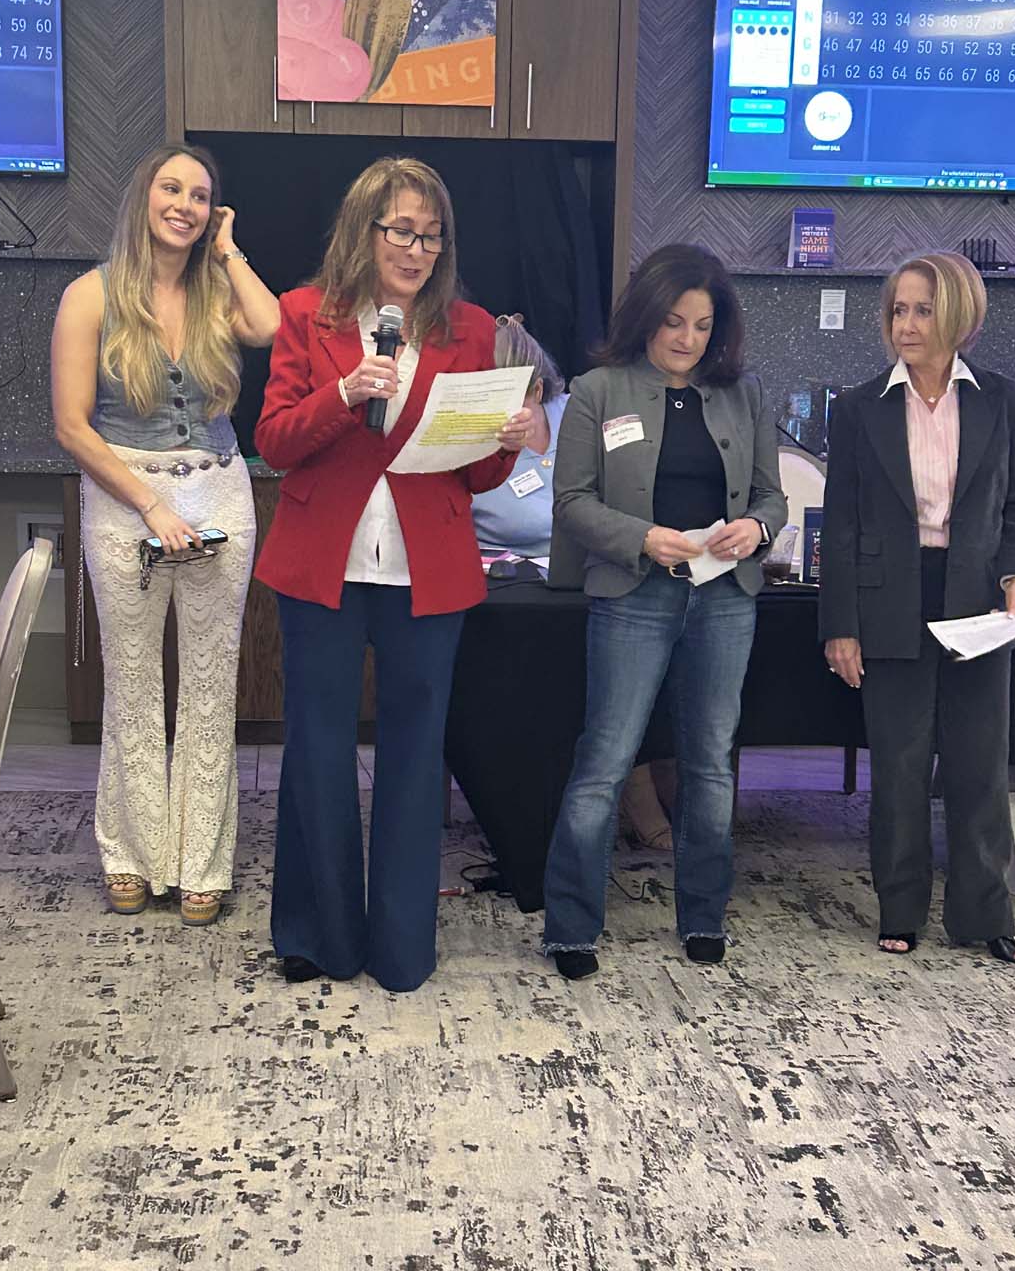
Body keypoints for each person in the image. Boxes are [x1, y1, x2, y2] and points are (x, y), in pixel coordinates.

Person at [254, 157, 534, 994]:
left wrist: (507, 440)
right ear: (364, 230)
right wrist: (343, 393)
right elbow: (274, 441)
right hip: (323, 565)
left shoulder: (471, 329)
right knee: (318, 751)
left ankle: (404, 946)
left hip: (428, 570)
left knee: (415, 759)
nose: (417, 251)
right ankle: (318, 937)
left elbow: (477, 477)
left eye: (431, 236)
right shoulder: (305, 314)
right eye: (402, 232)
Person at [541, 243, 787, 979]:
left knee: (710, 763)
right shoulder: (597, 390)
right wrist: (643, 538)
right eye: (675, 322)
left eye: (704, 326)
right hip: (634, 594)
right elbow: (572, 502)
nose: (688, 339)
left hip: (725, 597)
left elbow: (771, 496)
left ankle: (704, 915)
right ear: (647, 316)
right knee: (605, 762)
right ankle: (571, 926)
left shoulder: (745, 395)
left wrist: (758, 528)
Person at [52, 143, 280, 924]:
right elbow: (72, 427)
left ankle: (200, 863)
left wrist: (229, 248)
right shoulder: (89, 296)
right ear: (143, 198)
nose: (184, 204)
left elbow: (269, 324)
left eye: (200, 195)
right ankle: (131, 854)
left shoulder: (216, 292)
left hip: (219, 488)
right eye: (171, 188)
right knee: (134, 681)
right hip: (126, 495)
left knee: (212, 686)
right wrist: (150, 505)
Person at [820, 251, 1015, 965]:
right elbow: (841, 521)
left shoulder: (1002, 399)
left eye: (922, 310)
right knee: (901, 766)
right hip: (889, 597)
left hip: (978, 600)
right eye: (898, 311)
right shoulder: (859, 407)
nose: (906, 325)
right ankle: (901, 910)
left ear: (959, 316)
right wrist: (840, 625)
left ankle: (984, 917)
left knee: (980, 767)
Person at [471, 313, 568, 559]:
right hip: (509, 575)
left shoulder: (577, 413)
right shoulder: (467, 445)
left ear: (538, 390)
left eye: (512, 399)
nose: (501, 412)